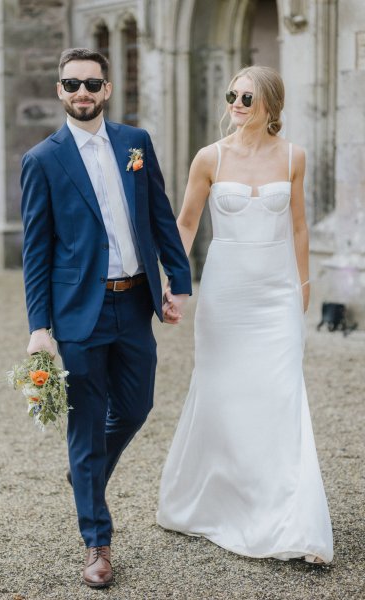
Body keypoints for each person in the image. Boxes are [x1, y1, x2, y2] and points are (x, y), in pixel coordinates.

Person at [21, 47, 191, 588]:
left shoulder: (135, 144)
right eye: (72, 85)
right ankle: (97, 543)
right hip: (78, 313)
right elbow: (36, 251)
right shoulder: (42, 160)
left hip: (135, 300)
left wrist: (178, 282)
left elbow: (160, 214)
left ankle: (85, 472)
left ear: (108, 88)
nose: (83, 94)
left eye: (92, 84)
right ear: (59, 91)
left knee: (138, 406)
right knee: (86, 423)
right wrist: (39, 327)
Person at [157, 66, 333, 565]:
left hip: (276, 293)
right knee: (222, 391)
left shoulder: (294, 156)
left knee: (281, 394)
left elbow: (299, 228)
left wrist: (302, 285)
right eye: (232, 94)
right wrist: (172, 284)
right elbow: (186, 223)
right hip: (226, 293)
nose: (236, 102)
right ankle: (216, 499)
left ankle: (286, 513)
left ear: (271, 106)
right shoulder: (209, 157)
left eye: (247, 97)